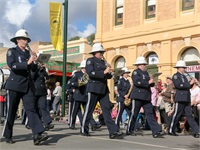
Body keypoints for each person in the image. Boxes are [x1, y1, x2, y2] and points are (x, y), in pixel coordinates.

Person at [2, 29, 48, 145]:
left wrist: (36, 62)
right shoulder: (12, 51)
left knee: (31, 109)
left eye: (27, 39)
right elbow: (12, 65)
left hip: (27, 86)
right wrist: (27, 63)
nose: (26, 41)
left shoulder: (28, 53)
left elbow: (32, 70)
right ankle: (8, 135)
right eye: (23, 39)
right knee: (11, 111)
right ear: (17, 40)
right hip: (15, 85)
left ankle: (37, 134)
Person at [81, 43, 123, 139]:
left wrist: (109, 72)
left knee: (106, 110)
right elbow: (91, 73)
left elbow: (107, 77)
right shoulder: (90, 60)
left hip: (103, 89)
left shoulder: (103, 62)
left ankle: (113, 131)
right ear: (95, 53)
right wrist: (104, 72)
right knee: (89, 109)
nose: (102, 54)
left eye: (102, 52)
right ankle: (84, 129)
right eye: (100, 52)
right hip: (94, 88)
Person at [126, 56, 164, 138]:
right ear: (139, 65)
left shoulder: (146, 73)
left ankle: (156, 131)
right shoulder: (136, 72)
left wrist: (153, 82)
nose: (144, 66)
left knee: (150, 114)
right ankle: (129, 129)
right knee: (134, 114)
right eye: (143, 64)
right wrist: (148, 82)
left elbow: (150, 84)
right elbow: (137, 82)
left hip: (146, 97)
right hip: (138, 96)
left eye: (145, 64)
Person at [168, 60, 200, 138]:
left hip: (186, 98)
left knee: (190, 115)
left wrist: (192, 82)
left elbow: (187, 86)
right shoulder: (176, 76)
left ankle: (197, 131)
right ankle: (171, 129)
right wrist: (189, 83)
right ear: (179, 68)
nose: (184, 69)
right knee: (176, 114)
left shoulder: (184, 76)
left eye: (184, 67)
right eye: (183, 67)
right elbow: (179, 85)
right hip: (180, 97)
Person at [69, 60, 101, 131]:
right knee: (75, 111)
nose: (85, 69)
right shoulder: (77, 74)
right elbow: (71, 83)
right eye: (84, 67)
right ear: (82, 68)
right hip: (78, 94)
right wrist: (79, 84)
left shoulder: (89, 75)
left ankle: (93, 124)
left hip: (86, 95)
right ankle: (72, 124)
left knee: (88, 111)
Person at [32, 63, 54, 131]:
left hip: (42, 91)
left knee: (43, 107)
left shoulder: (43, 71)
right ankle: (30, 123)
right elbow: (32, 77)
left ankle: (47, 123)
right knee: (34, 108)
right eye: (40, 64)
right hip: (34, 90)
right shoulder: (33, 68)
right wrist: (37, 68)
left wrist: (44, 69)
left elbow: (47, 78)